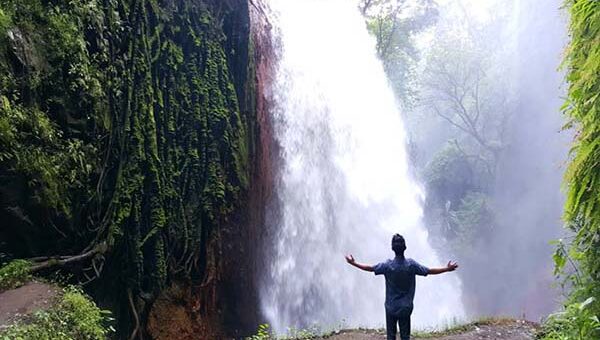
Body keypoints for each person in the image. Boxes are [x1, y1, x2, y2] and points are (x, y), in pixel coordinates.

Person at [345, 234, 458, 340]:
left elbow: (370, 268)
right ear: (405, 247)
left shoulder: (387, 266)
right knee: (405, 336)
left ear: (392, 248)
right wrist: (447, 269)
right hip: (405, 307)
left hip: (391, 307)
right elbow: (429, 271)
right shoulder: (411, 265)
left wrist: (354, 263)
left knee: (391, 336)